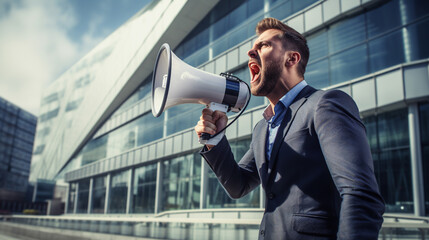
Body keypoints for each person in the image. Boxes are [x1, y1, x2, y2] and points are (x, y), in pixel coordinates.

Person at [194, 17, 385, 239]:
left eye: (263, 45)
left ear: (292, 58)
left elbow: (360, 194)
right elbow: (239, 185)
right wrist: (215, 140)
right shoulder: (262, 127)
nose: (250, 52)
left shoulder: (325, 104)